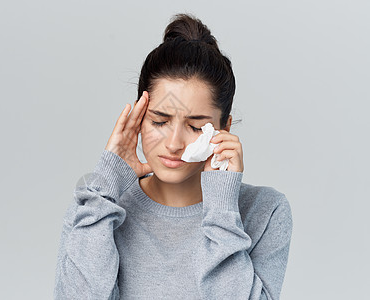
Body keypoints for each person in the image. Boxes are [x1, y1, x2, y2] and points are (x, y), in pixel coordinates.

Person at [54, 13, 293, 300]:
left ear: (224, 129)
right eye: (158, 121)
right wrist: (106, 184)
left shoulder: (265, 210)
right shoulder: (97, 205)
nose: (174, 143)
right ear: (139, 118)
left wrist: (221, 208)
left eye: (195, 126)